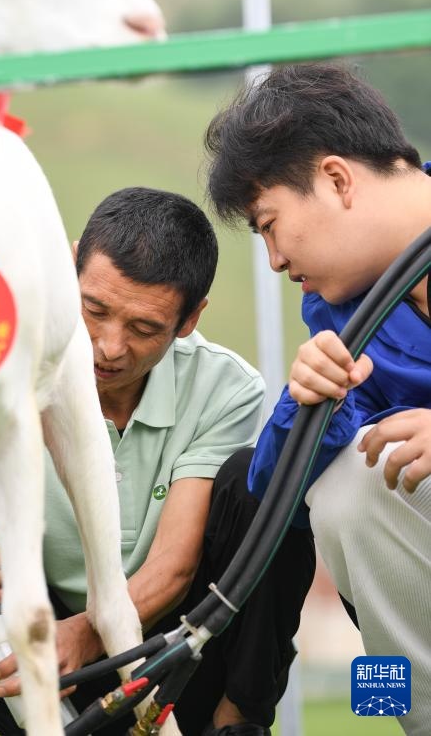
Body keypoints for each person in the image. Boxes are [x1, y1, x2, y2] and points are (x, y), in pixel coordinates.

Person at [0, 187, 315, 736]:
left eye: (144, 329)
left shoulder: (226, 387)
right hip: (39, 648)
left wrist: (86, 633)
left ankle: (237, 721)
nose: (108, 346)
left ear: (190, 318)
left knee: (261, 485)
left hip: (168, 649)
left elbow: (174, 566)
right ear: (69, 266)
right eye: (94, 310)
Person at [204, 62, 431, 736]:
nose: (272, 258)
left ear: (336, 179)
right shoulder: (335, 309)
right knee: (345, 492)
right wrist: (309, 402)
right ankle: (414, 720)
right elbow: (273, 493)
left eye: (269, 223)